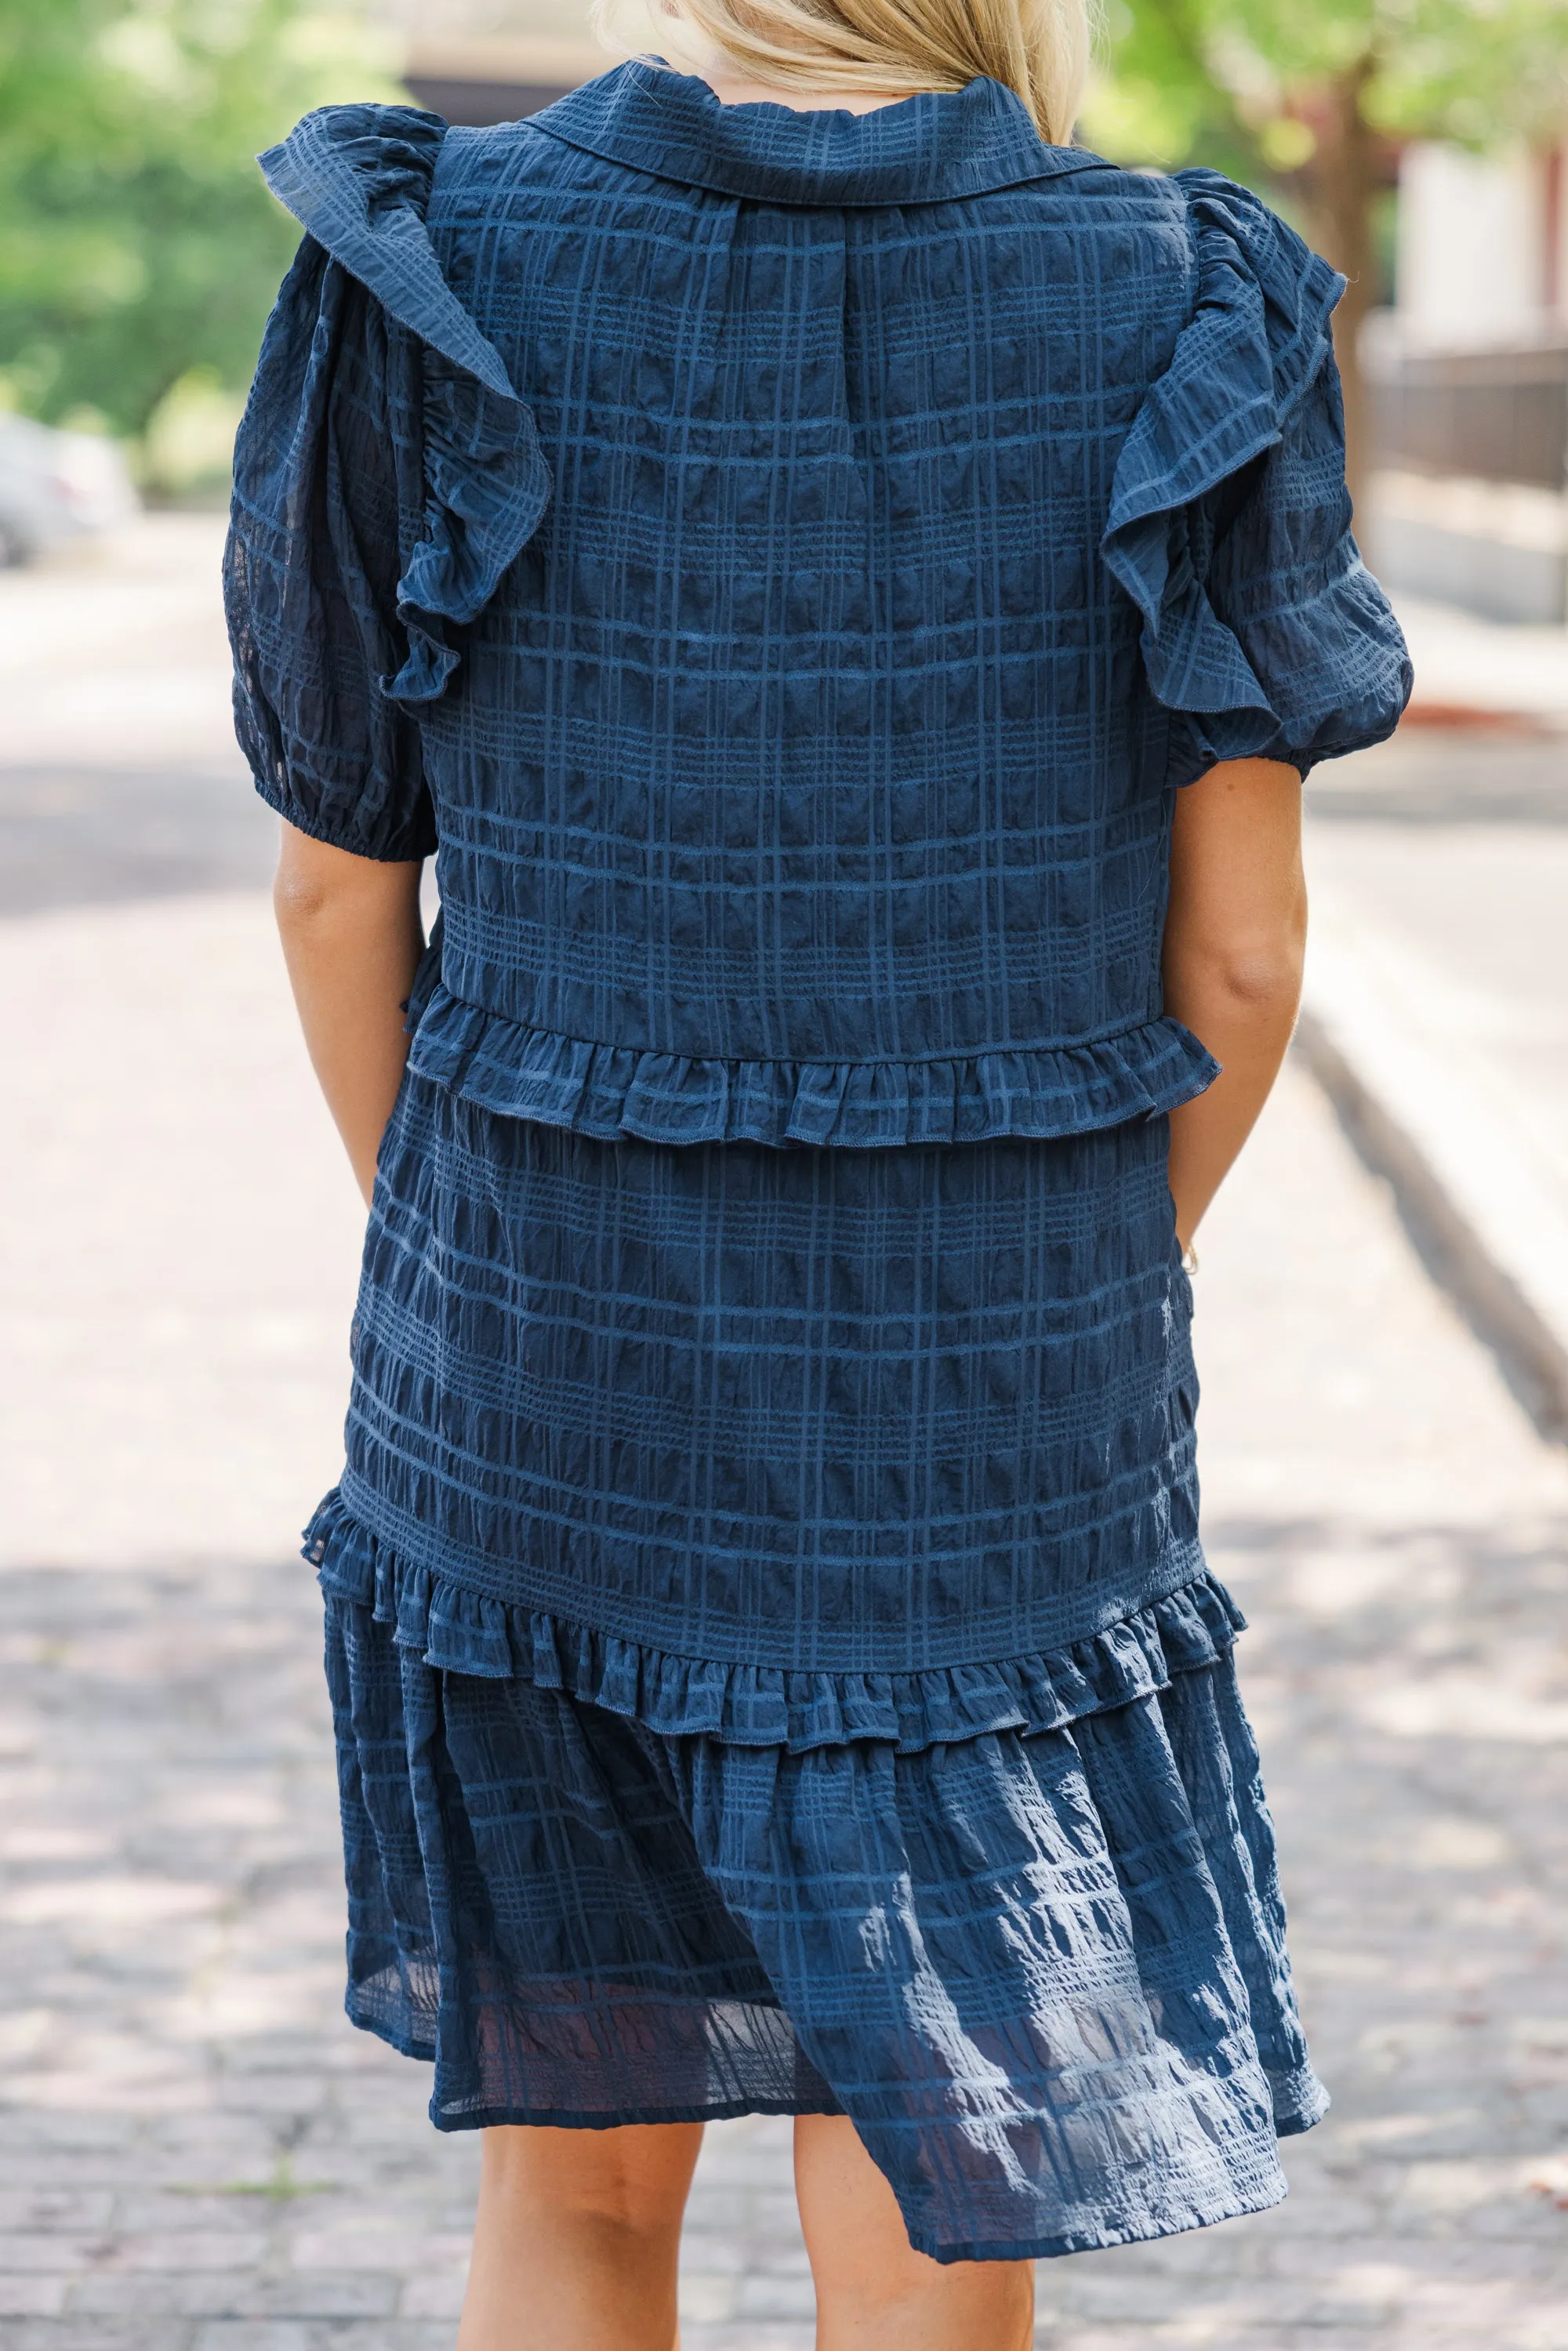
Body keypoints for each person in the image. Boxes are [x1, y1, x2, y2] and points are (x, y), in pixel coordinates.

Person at [223, 0, 1411, 2336]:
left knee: (571, 2198)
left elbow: (330, 889)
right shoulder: (1184, 295)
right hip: (998, 1408)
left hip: (539, 1368)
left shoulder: (436, 258)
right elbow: (1247, 955)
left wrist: (465, 1238)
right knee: (932, 2164)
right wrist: (1083, 1248)